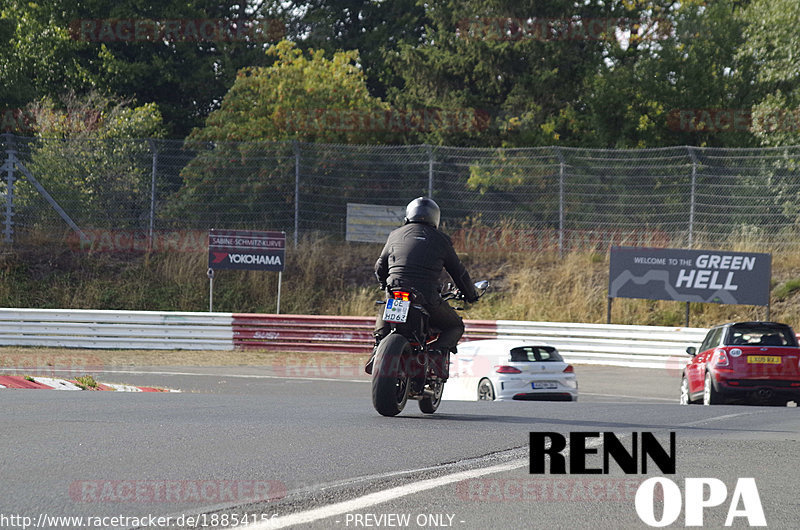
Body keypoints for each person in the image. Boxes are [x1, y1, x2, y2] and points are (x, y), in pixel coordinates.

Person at [365, 197, 479, 377]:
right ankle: (434, 356)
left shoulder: (395, 234)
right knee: (455, 326)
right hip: (426, 298)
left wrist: (383, 285)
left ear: (408, 215)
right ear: (435, 219)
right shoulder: (441, 240)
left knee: (386, 313)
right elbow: (459, 273)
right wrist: (471, 295)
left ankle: (378, 348)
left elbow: (380, 266)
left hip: (395, 291)